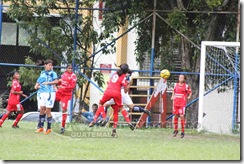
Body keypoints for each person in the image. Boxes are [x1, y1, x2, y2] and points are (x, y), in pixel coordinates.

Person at [89, 63, 134, 137]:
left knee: (101, 104)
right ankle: (128, 122)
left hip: (109, 91)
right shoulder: (124, 77)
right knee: (119, 110)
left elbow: (109, 82)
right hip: (117, 93)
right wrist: (128, 85)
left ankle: (101, 119)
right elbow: (125, 90)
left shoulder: (115, 73)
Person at [34, 59, 58, 135]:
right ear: (45, 65)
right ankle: (40, 127)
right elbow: (39, 81)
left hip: (50, 93)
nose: (50, 67)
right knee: (41, 109)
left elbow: (56, 81)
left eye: (51, 65)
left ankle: (49, 128)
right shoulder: (42, 73)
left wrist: (48, 83)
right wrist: (36, 85)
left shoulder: (53, 73)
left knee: (48, 111)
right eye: (49, 65)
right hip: (42, 93)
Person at [55, 64, 77, 134]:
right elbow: (60, 82)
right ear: (66, 69)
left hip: (66, 94)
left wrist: (64, 88)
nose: (70, 69)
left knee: (64, 109)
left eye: (71, 68)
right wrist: (58, 84)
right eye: (69, 68)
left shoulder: (73, 76)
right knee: (50, 100)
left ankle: (63, 126)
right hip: (59, 92)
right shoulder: (63, 74)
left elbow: (72, 86)